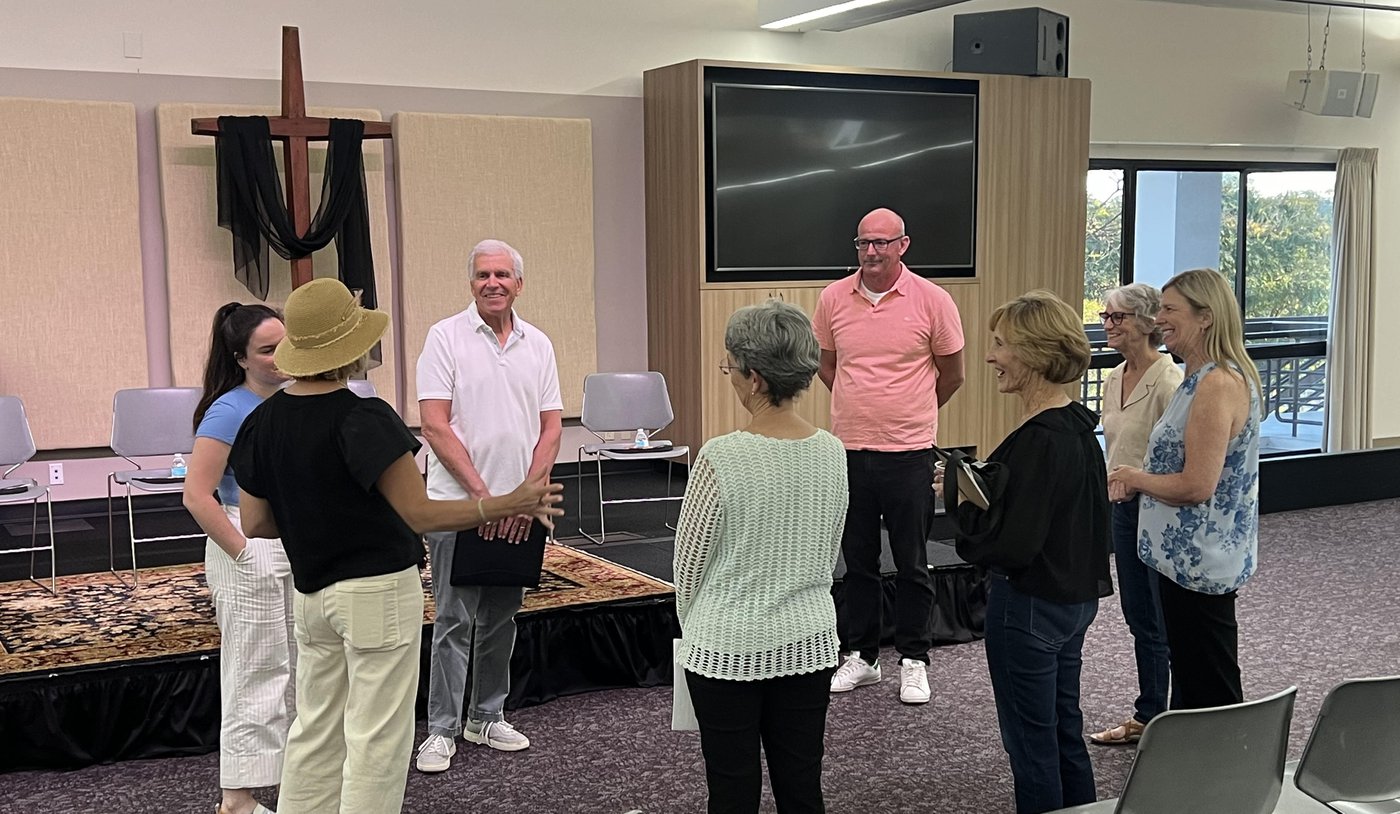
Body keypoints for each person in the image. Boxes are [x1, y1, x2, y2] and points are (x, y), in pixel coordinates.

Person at [228, 278, 562, 813]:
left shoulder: (260, 421)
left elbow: (256, 522)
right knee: (377, 739)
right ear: (350, 348)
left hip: (311, 596)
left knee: (314, 728)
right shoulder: (364, 417)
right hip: (377, 595)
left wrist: (318, 518)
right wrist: (504, 503)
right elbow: (420, 513)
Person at [940, 290, 1111, 814]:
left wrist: (961, 504)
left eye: (1000, 344)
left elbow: (1012, 544)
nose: (990, 356)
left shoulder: (1038, 441)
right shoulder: (1078, 429)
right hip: (1073, 601)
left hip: (1030, 605)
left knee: (1032, 747)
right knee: (1063, 731)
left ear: (1034, 353)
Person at [674, 300, 849, 814]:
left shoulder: (720, 456)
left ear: (753, 377)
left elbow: (688, 567)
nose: (728, 376)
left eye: (729, 366)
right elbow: (828, 552)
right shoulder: (833, 451)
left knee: (731, 790)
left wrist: (696, 628)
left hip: (723, 647)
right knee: (802, 786)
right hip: (809, 641)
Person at [414, 239, 563, 773]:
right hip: (459, 507)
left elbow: (551, 428)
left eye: (502, 274)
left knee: (503, 617)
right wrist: (486, 501)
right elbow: (435, 424)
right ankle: (442, 729)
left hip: (521, 508)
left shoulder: (538, 343)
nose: (492, 283)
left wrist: (525, 497)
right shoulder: (444, 338)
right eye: (483, 275)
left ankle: (486, 716)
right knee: (454, 620)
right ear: (471, 283)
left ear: (519, 284)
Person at [812, 207, 964, 705]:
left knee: (913, 561)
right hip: (849, 450)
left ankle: (914, 660)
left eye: (881, 242)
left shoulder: (934, 300)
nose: (871, 252)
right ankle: (862, 656)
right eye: (863, 243)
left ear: (903, 245)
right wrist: (861, 406)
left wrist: (909, 410)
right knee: (857, 561)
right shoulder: (833, 298)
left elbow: (952, 374)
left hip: (909, 451)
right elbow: (828, 366)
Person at [1107, 268, 1262, 711]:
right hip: (1181, 557)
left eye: (1170, 310)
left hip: (1199, 560)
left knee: (1208, 684)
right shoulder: (1199, 377)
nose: (1158, 320)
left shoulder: (1217, 383)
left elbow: (1197, 485)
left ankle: (1224, 755)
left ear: (1206, 317)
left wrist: (1133, 477)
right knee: (1194, 677)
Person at [185, 303, 293, 814]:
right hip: (247, 544)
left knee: (297, 671)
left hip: (293, 543)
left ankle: (296, 785)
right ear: (241, 358)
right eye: (267, 350)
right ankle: (237, 800)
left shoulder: (294, 398)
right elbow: (196, 495)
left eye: (285, 344)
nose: (280, 356)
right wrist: (245, 553)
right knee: (254, 672)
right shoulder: (229, 410)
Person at [1087, 284, 1183, 747]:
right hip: (1122, 510)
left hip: (1159, 510)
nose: (1108, 324)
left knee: (1162, 617)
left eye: (1118, 317)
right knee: (1138, 614)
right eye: (1106, 316)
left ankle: (1169, 716)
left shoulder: (1169, 381)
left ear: (1147, 323)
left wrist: (1138, 481)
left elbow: (1180, 457)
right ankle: (1151, 714)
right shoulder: (1113, 378)